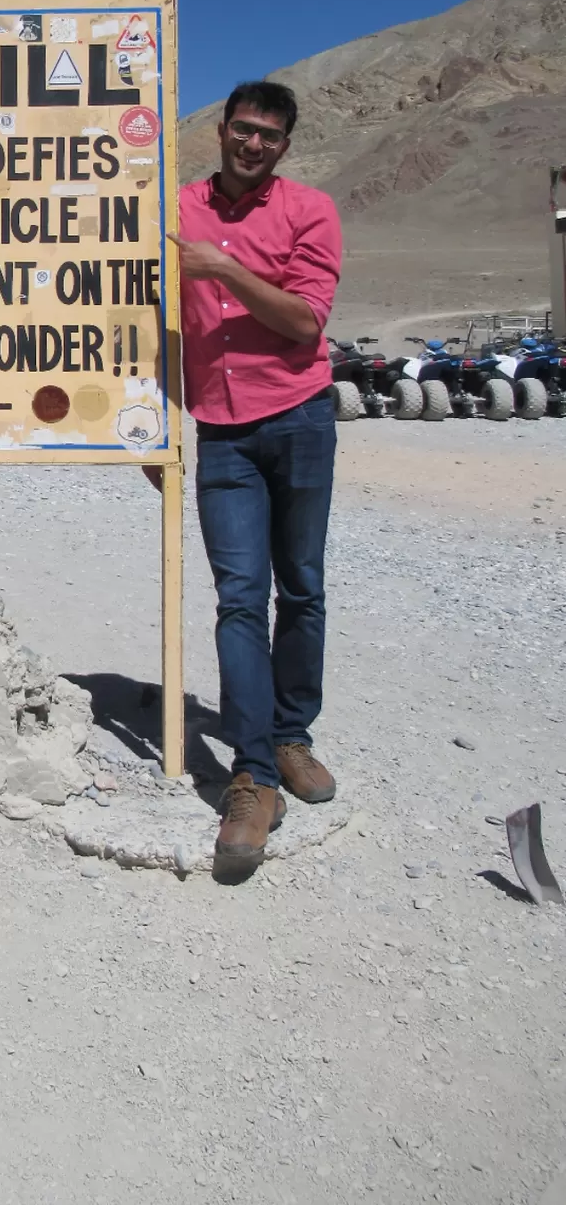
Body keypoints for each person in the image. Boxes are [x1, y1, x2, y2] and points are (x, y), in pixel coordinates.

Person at [169, 80, 342, 874]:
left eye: (269, 136)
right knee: (240, 598)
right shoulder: (176, 209)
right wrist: (150, 429)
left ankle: (292, 733)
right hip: (223, 432)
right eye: (243, 129)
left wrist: (223, 270)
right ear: (222, 130)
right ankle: (254, 773)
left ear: (284, 145)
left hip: (299, 415)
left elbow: (306, 320)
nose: (253, 144)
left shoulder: (310, 211)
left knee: (299, 586)